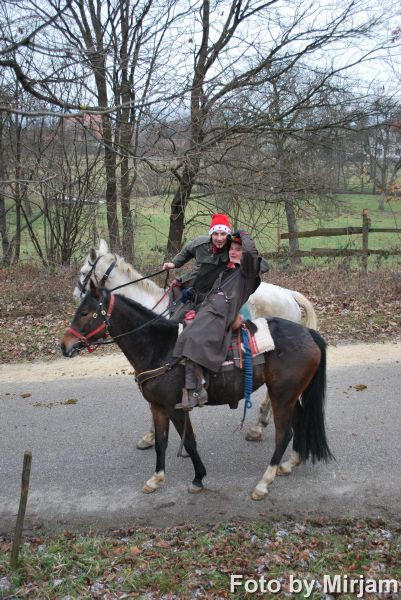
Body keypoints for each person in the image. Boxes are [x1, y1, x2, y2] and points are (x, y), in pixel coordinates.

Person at [173, 230, 262, 410]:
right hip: (209, 310)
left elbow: (251, 253)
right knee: (184, 330)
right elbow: (211, 294)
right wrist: (195, 309)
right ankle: (192, 385)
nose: (233, 252)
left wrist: (244, 236)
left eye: (238, 250)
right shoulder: (227, 271)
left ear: (245, 254)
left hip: (223, 314)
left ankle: (195, 389)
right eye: (232, 249)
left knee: (191, 337)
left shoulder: (247, 271)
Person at [163, 213, 232, 321]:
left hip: (213, 295)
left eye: (223, 234)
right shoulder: (200, 244)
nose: (219, 238)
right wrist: (174, 263)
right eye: (215, 234)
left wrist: (242, 238)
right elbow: (187, 251)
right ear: (211, 234)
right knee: (173, 322)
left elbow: (254, 260)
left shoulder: (233, 249)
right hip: (192, 290)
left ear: (228, 234)